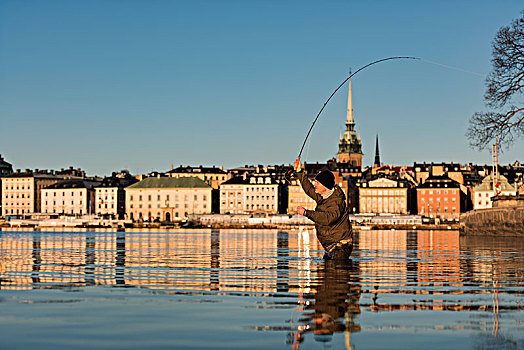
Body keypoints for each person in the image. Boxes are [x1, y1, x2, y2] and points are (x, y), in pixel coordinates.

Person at [293, 157, 353, 261]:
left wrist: (306, 213)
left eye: (317, 182)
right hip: (330, 247)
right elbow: (308, 189)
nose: (314, 184)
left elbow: (327, 218)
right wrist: (299, 171)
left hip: (341, 247)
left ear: (325, 186)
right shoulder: (322, 196)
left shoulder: (336, 201)